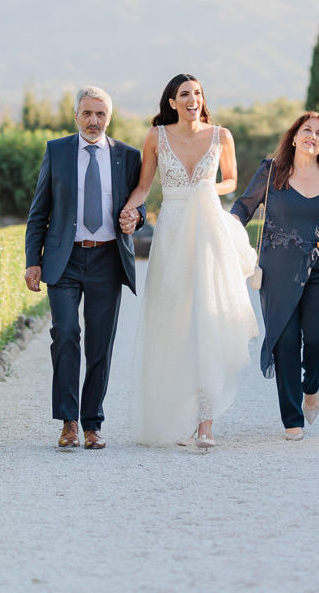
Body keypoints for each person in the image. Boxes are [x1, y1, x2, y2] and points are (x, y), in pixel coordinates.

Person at [118, 73, 258, 448]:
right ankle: (177, 416)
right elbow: (145, 187)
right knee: (173, 322)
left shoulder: (221, 136)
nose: (193, 98)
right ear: (172, 102)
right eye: (185, 94)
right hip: (173, 231)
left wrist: (208, 188)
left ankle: (206, 422)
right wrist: (127, 213)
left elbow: (231, 180)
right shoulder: (156, 138)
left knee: (207, 318)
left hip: (208, 229)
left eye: (197, 93)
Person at [24, 86, 146, 450]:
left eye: (101, 114)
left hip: (108, 260)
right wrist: (33, 261)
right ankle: (69, 422)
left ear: (109, 118)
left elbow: (138, 208)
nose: (94, 121)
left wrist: (135, 220)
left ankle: (93, 423)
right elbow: (38, 212)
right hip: (65, 259)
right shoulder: (57, 151)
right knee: (64, 334)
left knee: (100, 344)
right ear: (76, 115)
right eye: (88, 113)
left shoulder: (128, 156)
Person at [230, 111, 319, 441]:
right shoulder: (272, 172)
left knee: (318, 339)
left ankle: (311, 386)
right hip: (277, 271)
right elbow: (244, 206)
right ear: (295, 135)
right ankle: (292, 420)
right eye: (307, 130)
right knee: (285, 344)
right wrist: (225, 231)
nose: (313, 136)